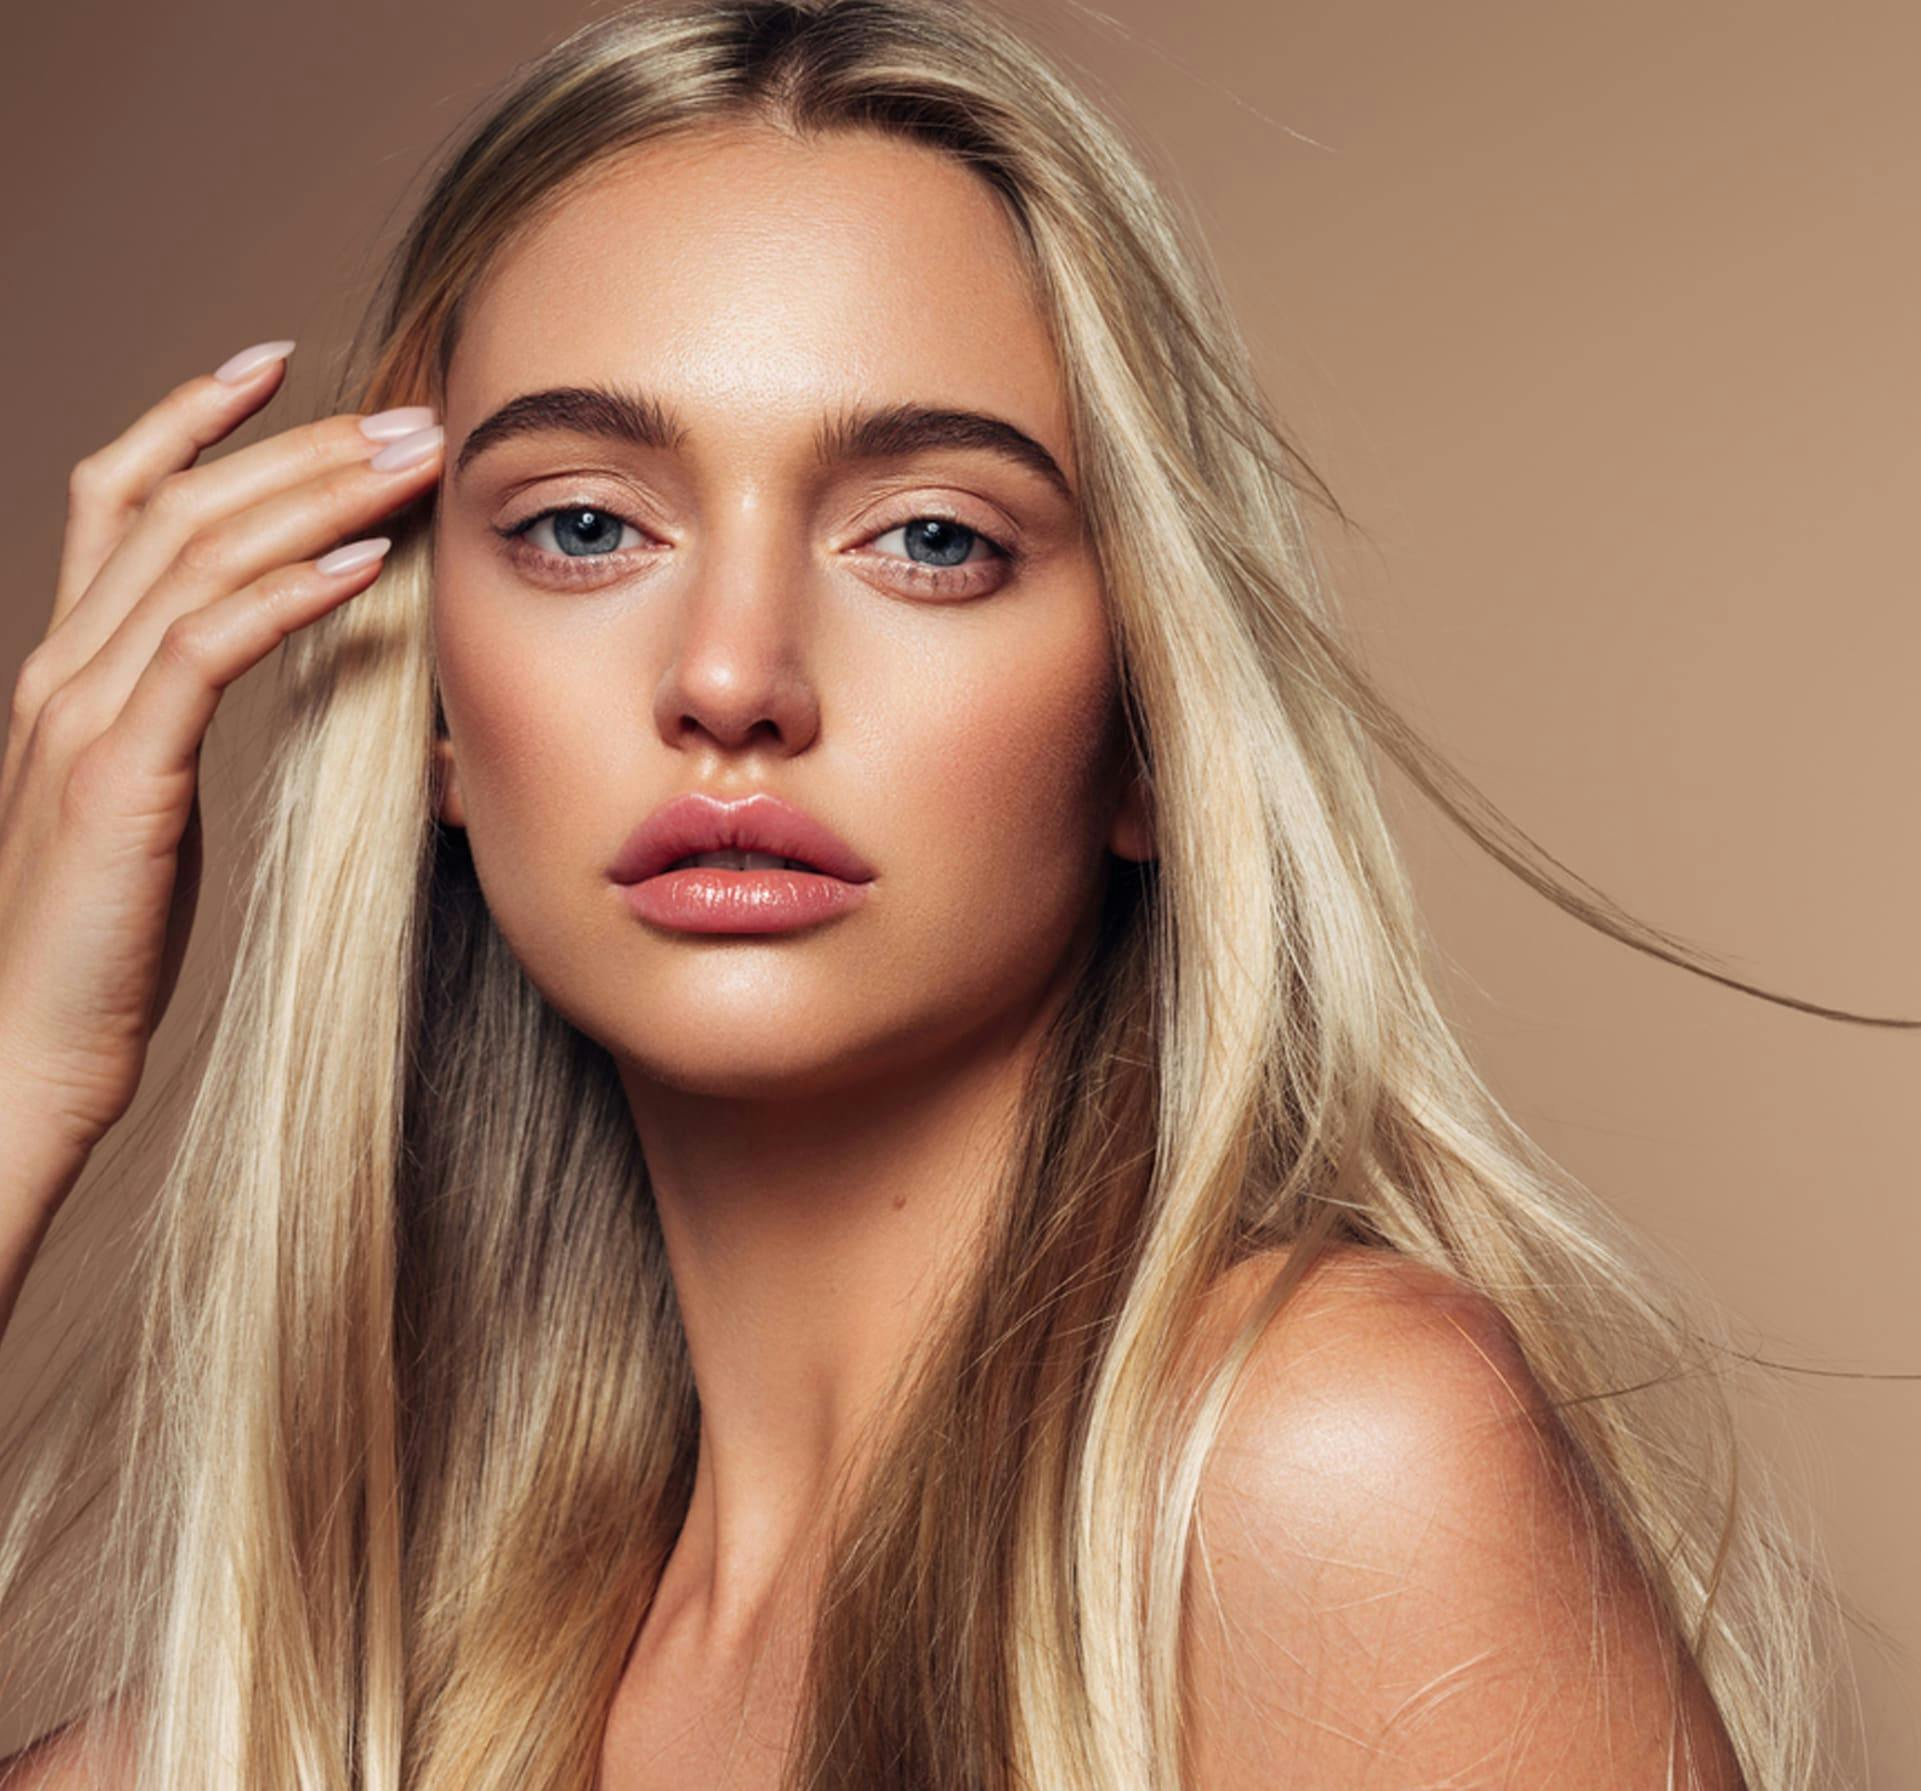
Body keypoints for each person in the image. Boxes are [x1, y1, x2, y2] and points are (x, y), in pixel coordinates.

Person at [0, 0, 1894, 1784]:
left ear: (1146, 723)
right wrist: (20, 1067)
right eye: (584, 526)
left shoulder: (1311, 1471)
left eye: (930, 539)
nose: (733, 676)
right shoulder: (374, 1706)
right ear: (429, 702)